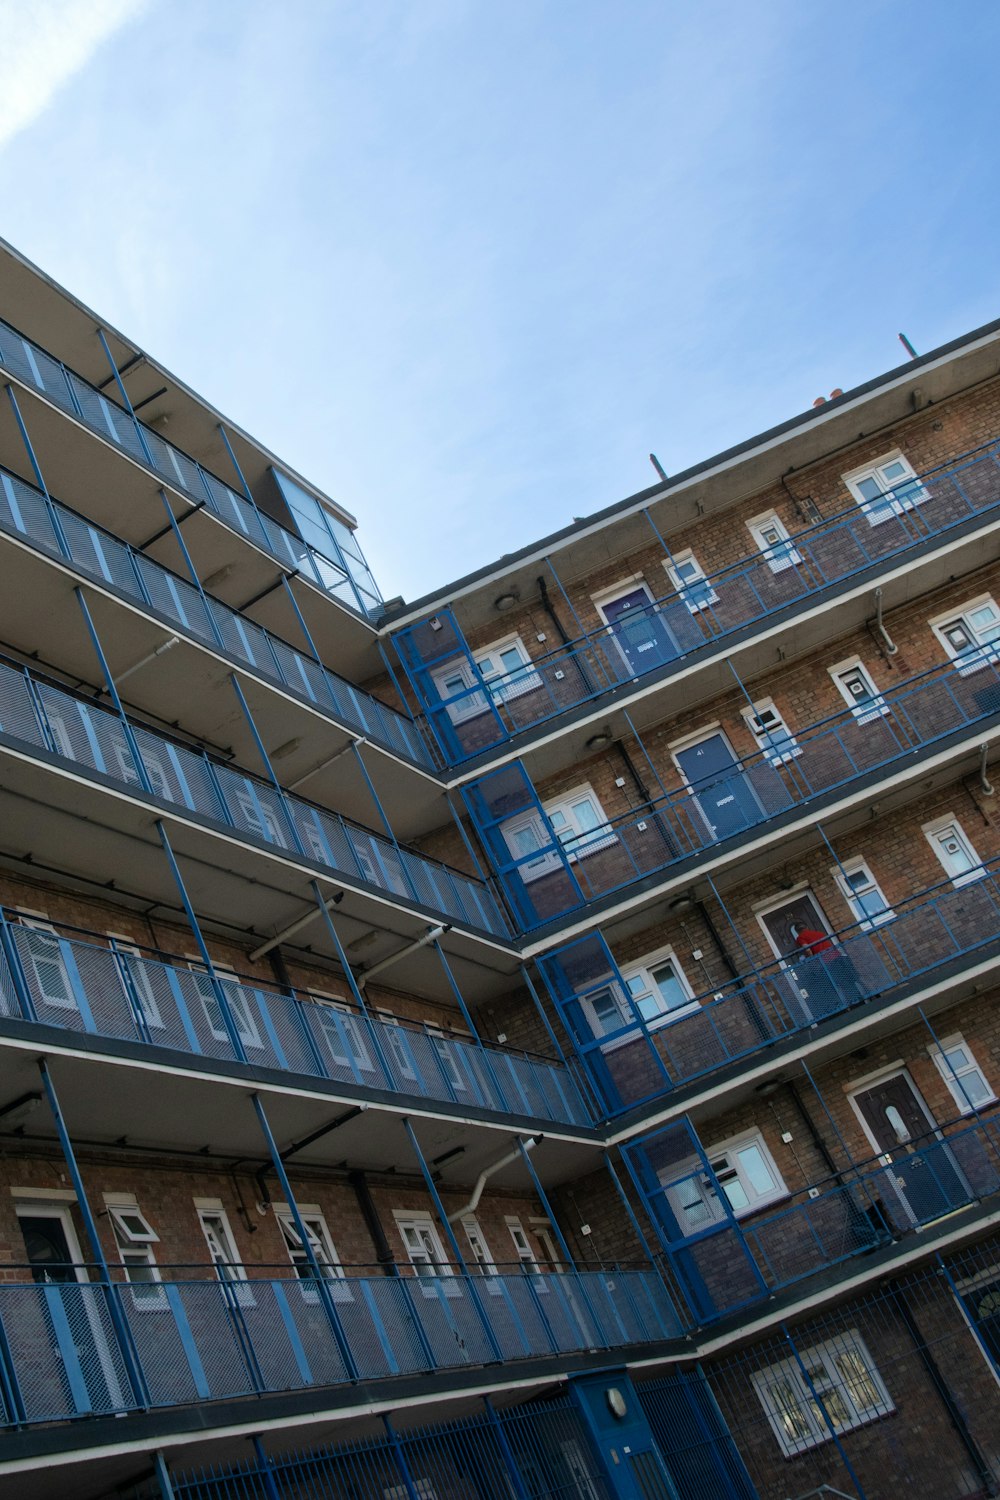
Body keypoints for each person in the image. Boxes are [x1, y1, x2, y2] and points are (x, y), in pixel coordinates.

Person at [788, 920, 864, 1016]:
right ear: (807, 927)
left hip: (825, 963)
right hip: (837, 958)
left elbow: (807, 949)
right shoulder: (819, 933)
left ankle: (841, 1011)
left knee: (830, 988)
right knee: (846, 983)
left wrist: (811, 960)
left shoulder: (801, 937)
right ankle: (858, 1004)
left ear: (797, 932)